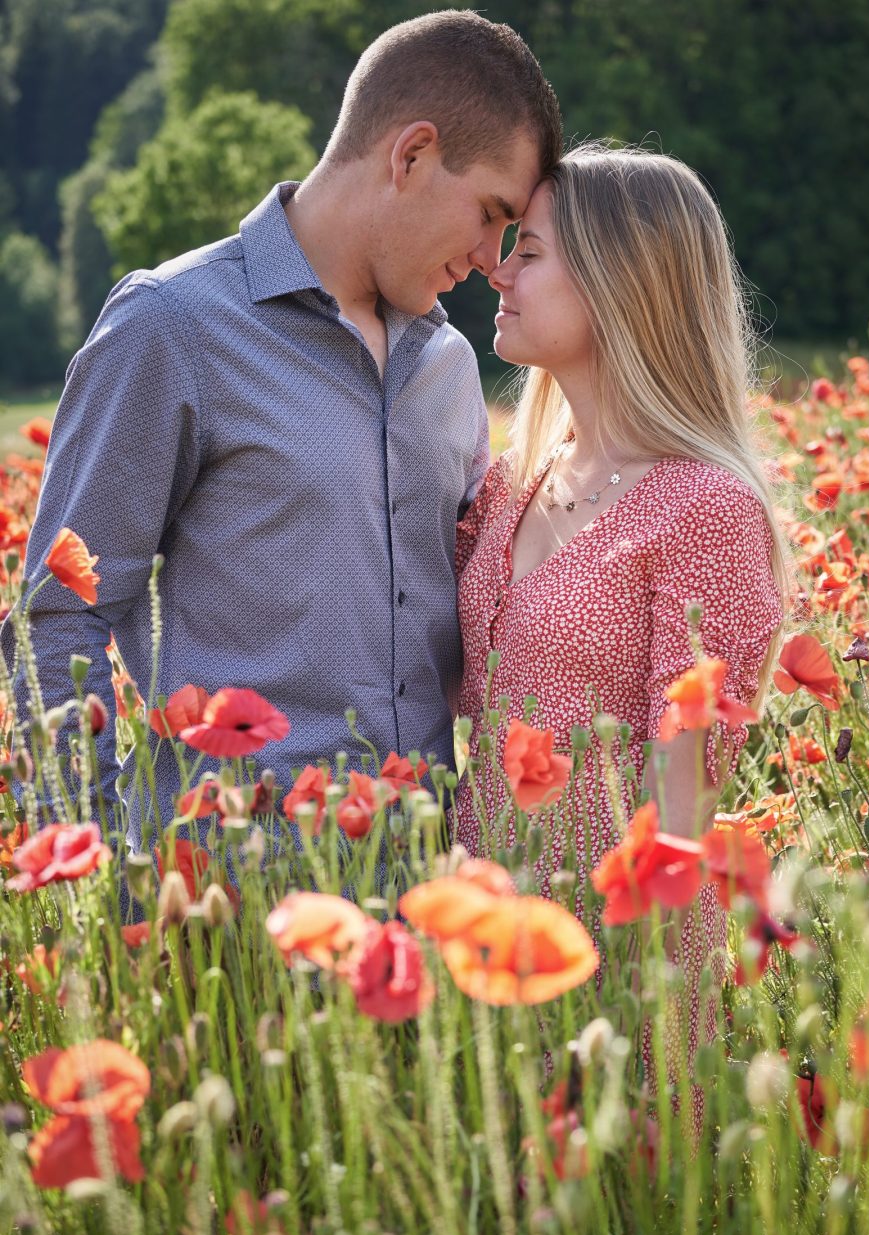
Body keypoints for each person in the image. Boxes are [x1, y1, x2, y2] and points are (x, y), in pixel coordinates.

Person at [1, 10, 561, 854]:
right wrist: (92, 884)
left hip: (422, 911)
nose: (493, 255)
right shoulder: (173, 327)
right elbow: (60, 617)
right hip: (229, 910)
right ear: (409, 155)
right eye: (489, 212)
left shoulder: (448, 366)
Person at [454, 144, 793, 1111]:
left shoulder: (704, 512)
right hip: (482, 949)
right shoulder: (515, 480)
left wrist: (650, 1043)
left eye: (532, 251)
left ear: (618, 285)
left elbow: (681, 808)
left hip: (610, 971)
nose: (499, 269)